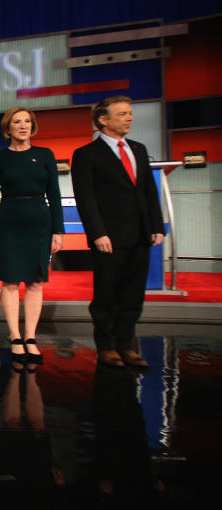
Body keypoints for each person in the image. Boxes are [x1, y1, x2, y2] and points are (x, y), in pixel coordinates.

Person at [71, 96, 164, 368]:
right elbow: (85, 198)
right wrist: (98, 233)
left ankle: (127, 345)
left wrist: (156, 226)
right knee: (107, 295)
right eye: (123, 113)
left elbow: (148, 191)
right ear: (103, 119)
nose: (130, 118)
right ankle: (107, 346)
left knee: (134, 294)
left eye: (130, 113)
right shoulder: (86, 154)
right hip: (108, 238)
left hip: (140, 235)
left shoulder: (139, 149)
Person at [0, 107, 64, 364]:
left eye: (27, 121)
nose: (23, 126)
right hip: (8, 220)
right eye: (17, 122)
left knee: (35, 281)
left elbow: (54, 195)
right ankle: (15, 336)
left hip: (40, 221)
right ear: (8, 128)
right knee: (9, 281)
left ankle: (30, 337)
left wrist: (58, 231)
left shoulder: (45, 155)